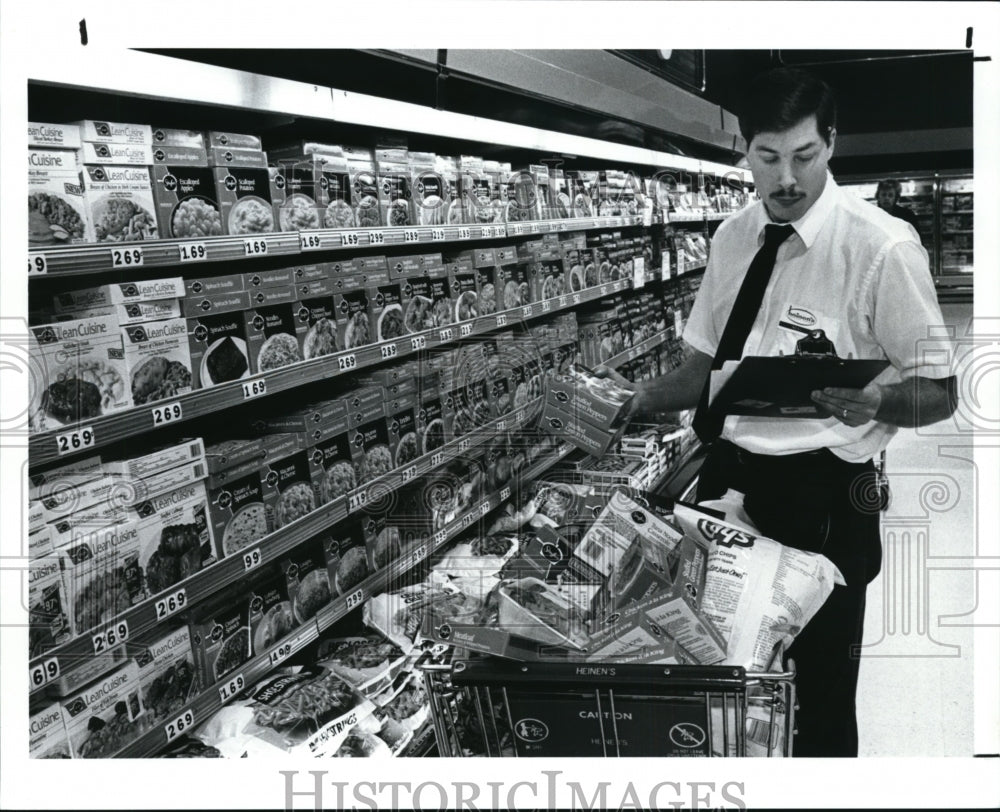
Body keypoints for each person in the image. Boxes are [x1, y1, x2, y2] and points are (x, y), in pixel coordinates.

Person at [598, 67, 957, 757]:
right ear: (747, 151)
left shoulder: (881, 246)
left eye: (804, 156)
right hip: (726, 486)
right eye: (768, 157)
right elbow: (706, 367)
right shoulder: (732, 237)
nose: (786, 178)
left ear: (832, 143)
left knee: (818, 698)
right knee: (728, 690)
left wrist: (878, 400)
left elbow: (940, 391)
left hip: (825, 496)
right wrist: (636, 399)